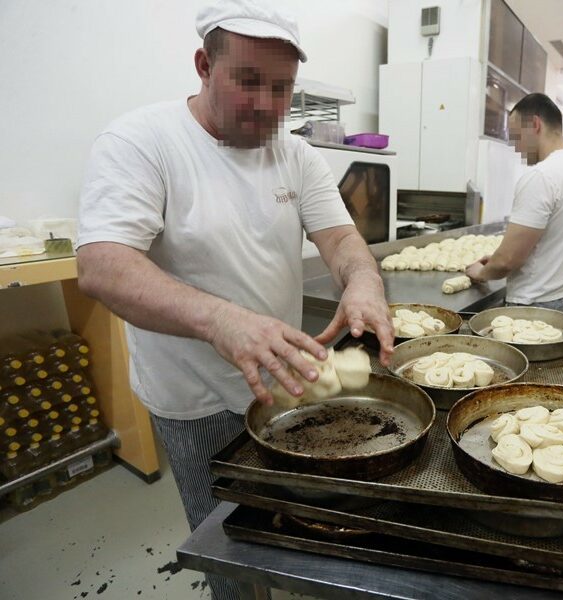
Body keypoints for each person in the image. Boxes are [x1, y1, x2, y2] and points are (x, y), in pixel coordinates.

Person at [75, 1, 393, 598]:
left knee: (288, 513)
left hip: (284, 386)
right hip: (194, 397)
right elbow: (102, 266)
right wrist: (223, 321)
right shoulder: (142, 141)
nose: (270, 105)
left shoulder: (296, 154)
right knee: (227, 541)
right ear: (203, 65)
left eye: (283, 88)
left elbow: (342, 238)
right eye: (249, 82)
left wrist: (363, 282)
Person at [465, 93, 563, 316]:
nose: (517, 148)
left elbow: (507, 261)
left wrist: (482, 272)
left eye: (516, 136)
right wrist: (495, 259)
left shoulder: (541, 176)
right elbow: (551, 241)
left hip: (534, 307)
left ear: (535, 125)